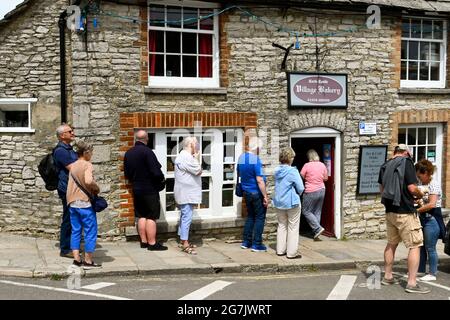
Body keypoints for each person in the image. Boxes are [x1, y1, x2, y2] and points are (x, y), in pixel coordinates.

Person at [378, 144, 430, 294]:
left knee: (391, 243)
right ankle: (412, 283)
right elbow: (412, 188)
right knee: (415, 245)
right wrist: (420, 195)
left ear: (395, 152)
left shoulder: (385, 165)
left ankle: (387, 276)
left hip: (390, 211)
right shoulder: (406, 162)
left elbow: (382, 190)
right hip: (405, 211)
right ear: (406, 153)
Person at [124, 130, 167, 251]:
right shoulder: (148, 152)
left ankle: (143, 241)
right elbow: (156, 172)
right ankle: (152, 243)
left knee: (141, 215)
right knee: (151, 216)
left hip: (136, 189)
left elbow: (127, 174)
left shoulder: (129, 153)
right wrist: (161, 181)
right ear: (146, 139)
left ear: (136, 139)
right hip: (149, 189)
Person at [66, 141, 101, 269]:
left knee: (75, 231)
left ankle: (76, 259)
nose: (91, 155)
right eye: (91, 152)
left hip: (72, 202)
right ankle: (88, 261)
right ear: (86, 153)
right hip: (84, 203)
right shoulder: (87, 165)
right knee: (90, 231)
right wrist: (97, 188)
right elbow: (88, 180)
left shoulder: (73, 165)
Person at [415, 159, 446, 281]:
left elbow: (432, 204)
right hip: (424, 219)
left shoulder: (434, 184)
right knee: (422, 246)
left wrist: (416, 210)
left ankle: (432, 273)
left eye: (420, 175)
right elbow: (425, 202)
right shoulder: (424, 185)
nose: (418, 178)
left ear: (426, 172)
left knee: (430, 248)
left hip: (431, 220)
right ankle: (421, 270)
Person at [237, 138, 269, 252]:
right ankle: (257, 244)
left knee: (250, 216)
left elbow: (239, 174)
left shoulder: (241, 158)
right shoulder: (255, 160)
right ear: (257, 148)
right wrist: (265, 196)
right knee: (260, 217)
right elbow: (260, 180)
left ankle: (246, 242)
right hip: (256, 192)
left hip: (246, 192)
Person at [273, 147, 304, 259]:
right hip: (292, 203)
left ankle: (280, 250)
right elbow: (301, 187)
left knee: (281, 225)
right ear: (290, 158)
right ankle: (291, 253)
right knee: (293, 227)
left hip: (279, 201)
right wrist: (298, 193)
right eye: (292, 157)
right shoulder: (292, 171)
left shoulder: (276, 170)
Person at [174, 136, 202, 255]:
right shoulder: (187, 157)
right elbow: (198, 170)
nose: (198, 146)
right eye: (196, 144)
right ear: (191, 145)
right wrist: (197, 158)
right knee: (187, 218)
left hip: (183, 191)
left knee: (184, 216)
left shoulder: (181, 156)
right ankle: (185, 243)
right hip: (187, 193)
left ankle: (182, 240)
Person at [53, 124, 78, 258]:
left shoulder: (69, 149)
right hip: (66, 188)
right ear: (62, 135)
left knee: (73, 216)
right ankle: (65, 249)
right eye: (70, 131)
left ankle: (71, 245)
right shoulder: (60, 151)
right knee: (68, 218)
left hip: (72, 187)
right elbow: (73, 168)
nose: (73, 133)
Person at [300, 149, 328, 240]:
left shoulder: (307, 165)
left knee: (306, 211)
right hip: (322, 190)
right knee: (317, 211)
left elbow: (301, 176)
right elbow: (326, 178)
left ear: (309, 157)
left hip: (311, 191)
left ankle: (317, 228)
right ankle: (316, 233)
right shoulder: (322, 165)